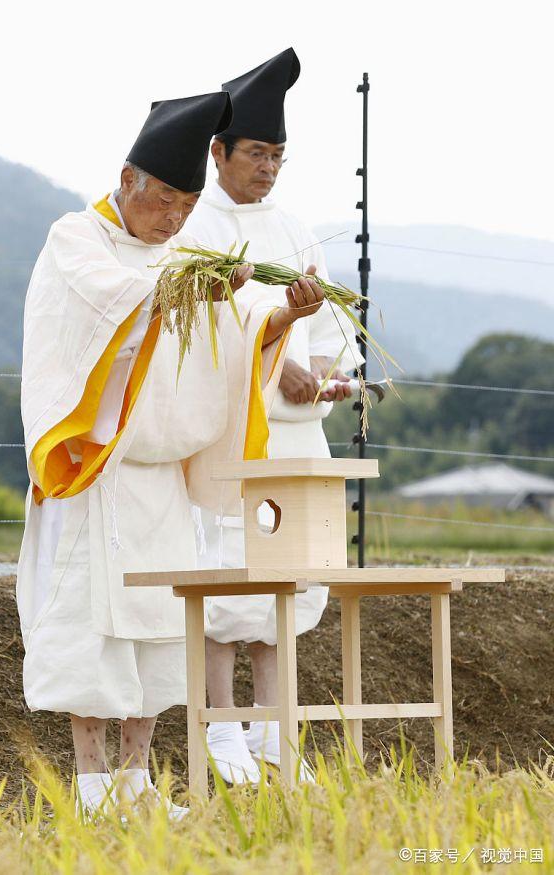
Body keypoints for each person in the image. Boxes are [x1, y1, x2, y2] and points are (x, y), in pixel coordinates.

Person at [17, 90, 325, 816]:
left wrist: (284, 312)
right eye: (165, 201)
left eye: (188, 204)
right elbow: (109, 302)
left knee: (159, 632)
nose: (176, 218)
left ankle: (138, 781)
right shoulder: (76, 238)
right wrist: (177, 289)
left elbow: (238, 323)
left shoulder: (179, 254)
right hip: (92, 468)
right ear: (129, 181)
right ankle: (92, 784)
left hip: (158, 479)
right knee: (91, 631)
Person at [185, 49, 364, 784]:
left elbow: (328, 336)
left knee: (292, 578)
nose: (268, 167)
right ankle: (222, 729)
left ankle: (272, 730)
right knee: (230, 576)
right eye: (257, 152)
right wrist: (265, 358)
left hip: (298, 437)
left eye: (278, 155)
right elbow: (188, 332)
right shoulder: (193, 224)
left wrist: (325, 375)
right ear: (219, 151)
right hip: (235, 429)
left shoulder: (294, 228)